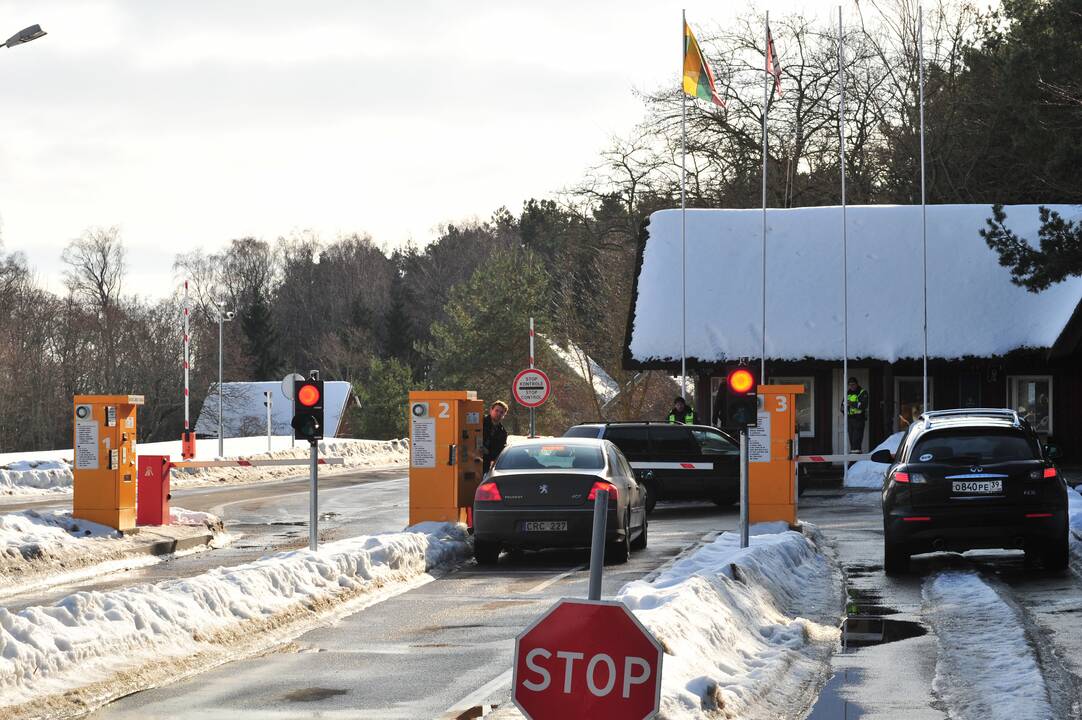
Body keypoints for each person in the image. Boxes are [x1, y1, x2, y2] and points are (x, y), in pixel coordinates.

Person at [481, 401, 508, 475]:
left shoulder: (502, 432)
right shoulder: (480, 423)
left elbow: (499, 452)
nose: (499, 413)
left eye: (502, 412)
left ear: (504, 415)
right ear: (491, 410)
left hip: (486, 464)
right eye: (496, 410)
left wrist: (488, 452)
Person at [843, 377, 869, 452]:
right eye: (850, 385)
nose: (851, 386)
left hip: (859, 419)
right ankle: (854, 459)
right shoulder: (848, 393)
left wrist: (851, 403)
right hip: (850, 419)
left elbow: (863, 405)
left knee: (856, 441)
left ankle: (855, 459)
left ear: (857, 384)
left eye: (853, 384)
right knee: (852, 441)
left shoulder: (862, 392)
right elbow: (843, 405)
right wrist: (843, 409)